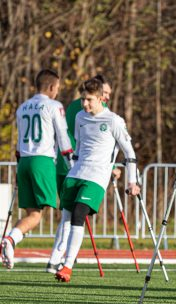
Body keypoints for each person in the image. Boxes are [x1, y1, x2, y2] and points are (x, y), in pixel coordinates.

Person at [55, 78, 140, 282]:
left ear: (101, 98)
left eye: (89, 100)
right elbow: (79, 147)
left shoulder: (114, 120)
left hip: (96, 176)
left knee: (78, 213)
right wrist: (70, 167)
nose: (85, 104)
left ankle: (67, 267)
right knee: (66, 218)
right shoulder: (79, 117)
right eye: (83, 99)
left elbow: (129, 152)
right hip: (76, 173)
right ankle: (56, 262)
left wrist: (132, 181)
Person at [47, 74, 120, 274]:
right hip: (75, 166)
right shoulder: (84, 111)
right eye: (104, 93)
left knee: (69, 216)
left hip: (69, 165)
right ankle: (60, 259)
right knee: (72, 215)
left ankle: (57, 259)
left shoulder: (74, 106)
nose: (106, 98)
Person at [1, 69, 74, 269]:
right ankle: (61, 256)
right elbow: (63, 137)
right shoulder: (53, 106)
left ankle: (10, 239)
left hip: (24, 161)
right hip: (42, 161)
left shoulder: (22, 107)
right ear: (51, 87)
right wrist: (72, 166)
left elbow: (18, 142)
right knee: (53, 209)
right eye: (57, 88)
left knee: (33, 214)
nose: (57, 92)